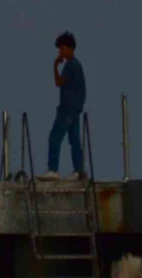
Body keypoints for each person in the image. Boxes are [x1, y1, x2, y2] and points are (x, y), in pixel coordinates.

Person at [37, 31, 87, 181]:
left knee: (55, 137)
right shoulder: (76, 65)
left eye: (62, 48)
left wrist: (54, 66)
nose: (60, 52)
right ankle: (79, 171)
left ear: (69, 48)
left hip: (66, 109)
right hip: (74, 110)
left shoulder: (71, 64)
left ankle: (53, 169)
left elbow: (58, 82)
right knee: (74, 140)